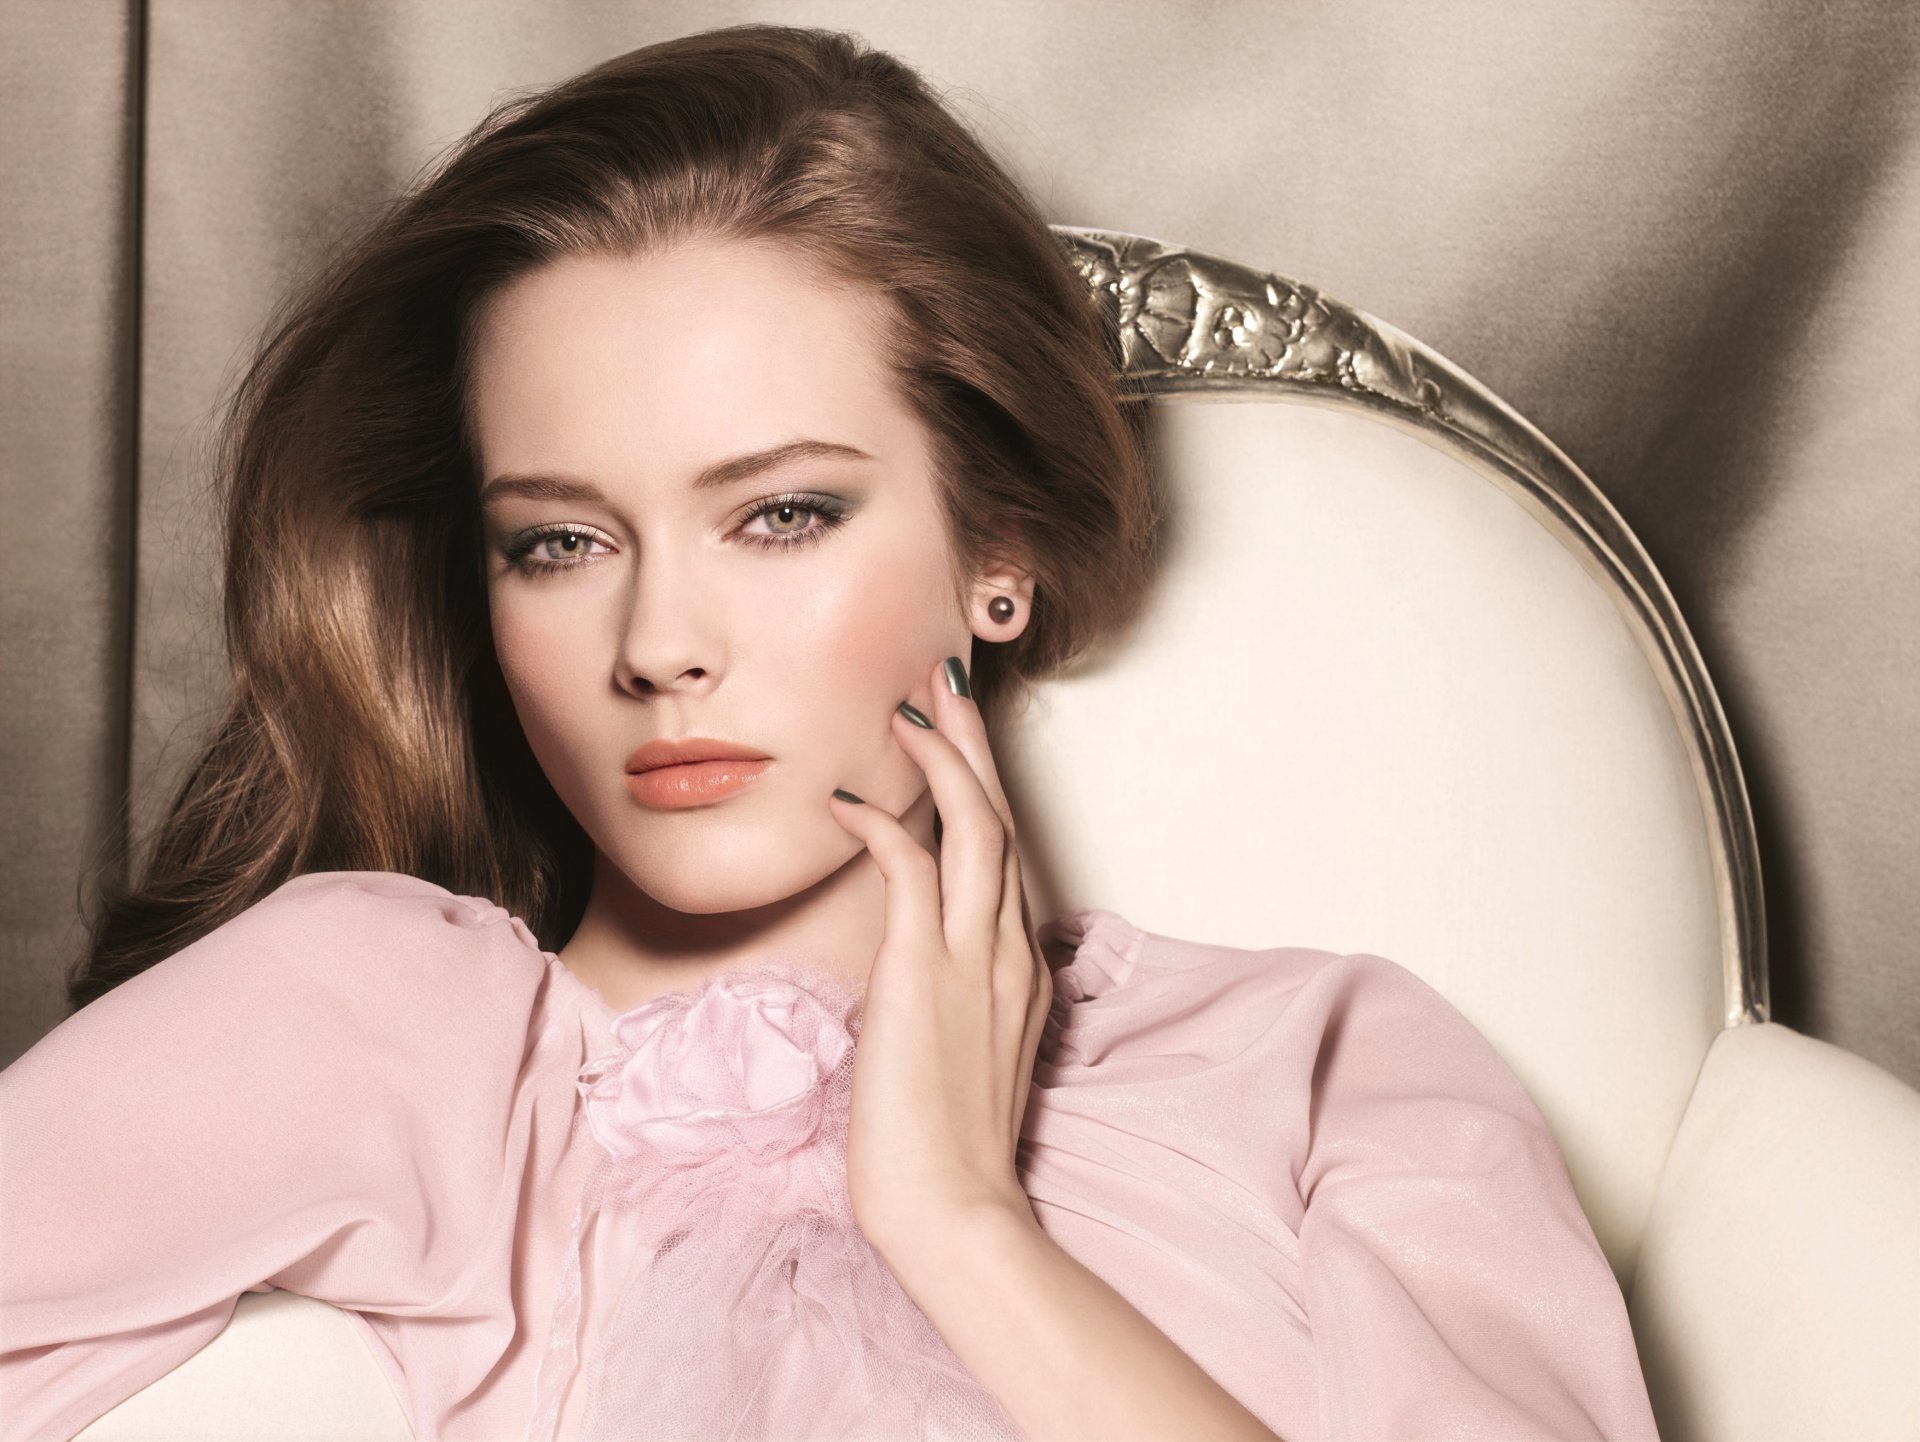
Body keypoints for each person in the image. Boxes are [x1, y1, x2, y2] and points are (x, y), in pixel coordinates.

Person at [0, 23, 1660, 1442]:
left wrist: (960, 1224)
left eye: (782, 514)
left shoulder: (1320, 1072)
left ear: (996, 550)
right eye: (558, 542)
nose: (658, 645)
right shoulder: (388, 1031)